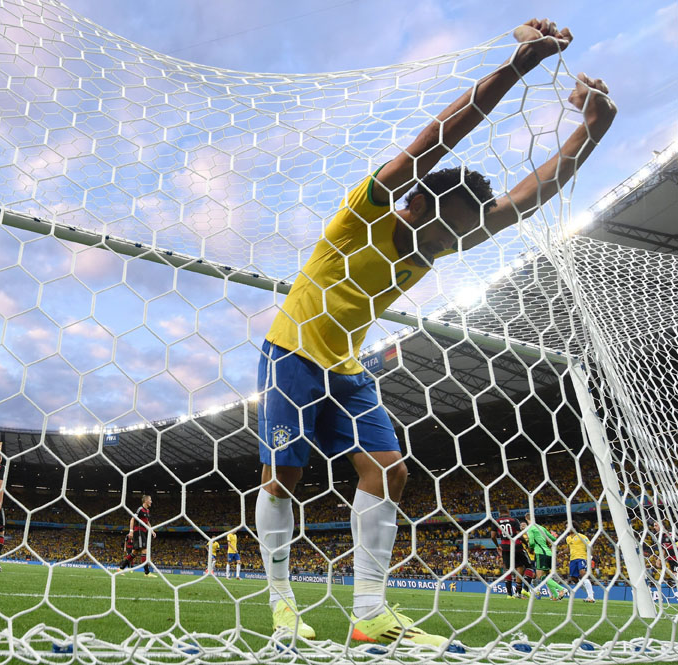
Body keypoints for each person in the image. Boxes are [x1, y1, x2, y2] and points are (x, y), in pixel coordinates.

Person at [254, 18, 616, 644]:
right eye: (443, 229)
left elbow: (528, 197)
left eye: (456, 236)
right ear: (414, 204)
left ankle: (369, 615)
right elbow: (432, 142)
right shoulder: (357, 218)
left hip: (343, 365)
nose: (448, 246)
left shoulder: (433, 244)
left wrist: (594, 129)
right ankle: (283, 605)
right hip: (290, 349)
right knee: (283, 477)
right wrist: (518, 67)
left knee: (388, 470)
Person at [491, 507, 530, 599]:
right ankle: (518, 591)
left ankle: (509, 594)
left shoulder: (496, 521)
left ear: (499, 512)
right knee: (522, 567)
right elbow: (519, 534)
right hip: (516, 546)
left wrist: (498, 545)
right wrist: (526, 543)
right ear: (507, 511)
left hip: (505, 547)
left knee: (508, 569)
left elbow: (493, 536)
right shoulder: (513, 520)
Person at [525, 517, 568, 601]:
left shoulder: (530, 528)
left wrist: (530, 546)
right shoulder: (542, 528)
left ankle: (561, 589)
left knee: (540, 575)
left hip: (541, 553)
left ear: (527, 519)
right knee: (546, 576)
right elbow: (554, 539)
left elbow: (532, 542)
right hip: (549, 553)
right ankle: (555, 596)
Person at [127, 494, 156, 578]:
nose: (151, 501)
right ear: (146, 501)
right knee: (144, 551)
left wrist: (152, 530)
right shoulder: (140, 509)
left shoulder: (147, 511)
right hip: (138, 532)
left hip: (143, 533)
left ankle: (121, 568)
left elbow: (147, 522)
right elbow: (132, 519)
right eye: (150, 500)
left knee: (134, 553)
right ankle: (147, 573)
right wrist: (131, 531)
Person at [565, 526, 596, 603]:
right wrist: (561, 553)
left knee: (583, 574)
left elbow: (590, 546)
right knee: (574, 578)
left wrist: (591, 557)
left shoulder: (581, 536)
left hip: (582, 557)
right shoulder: (568, 538)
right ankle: (589, 593)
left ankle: (591, 597)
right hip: (572, 559)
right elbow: (568, 549)